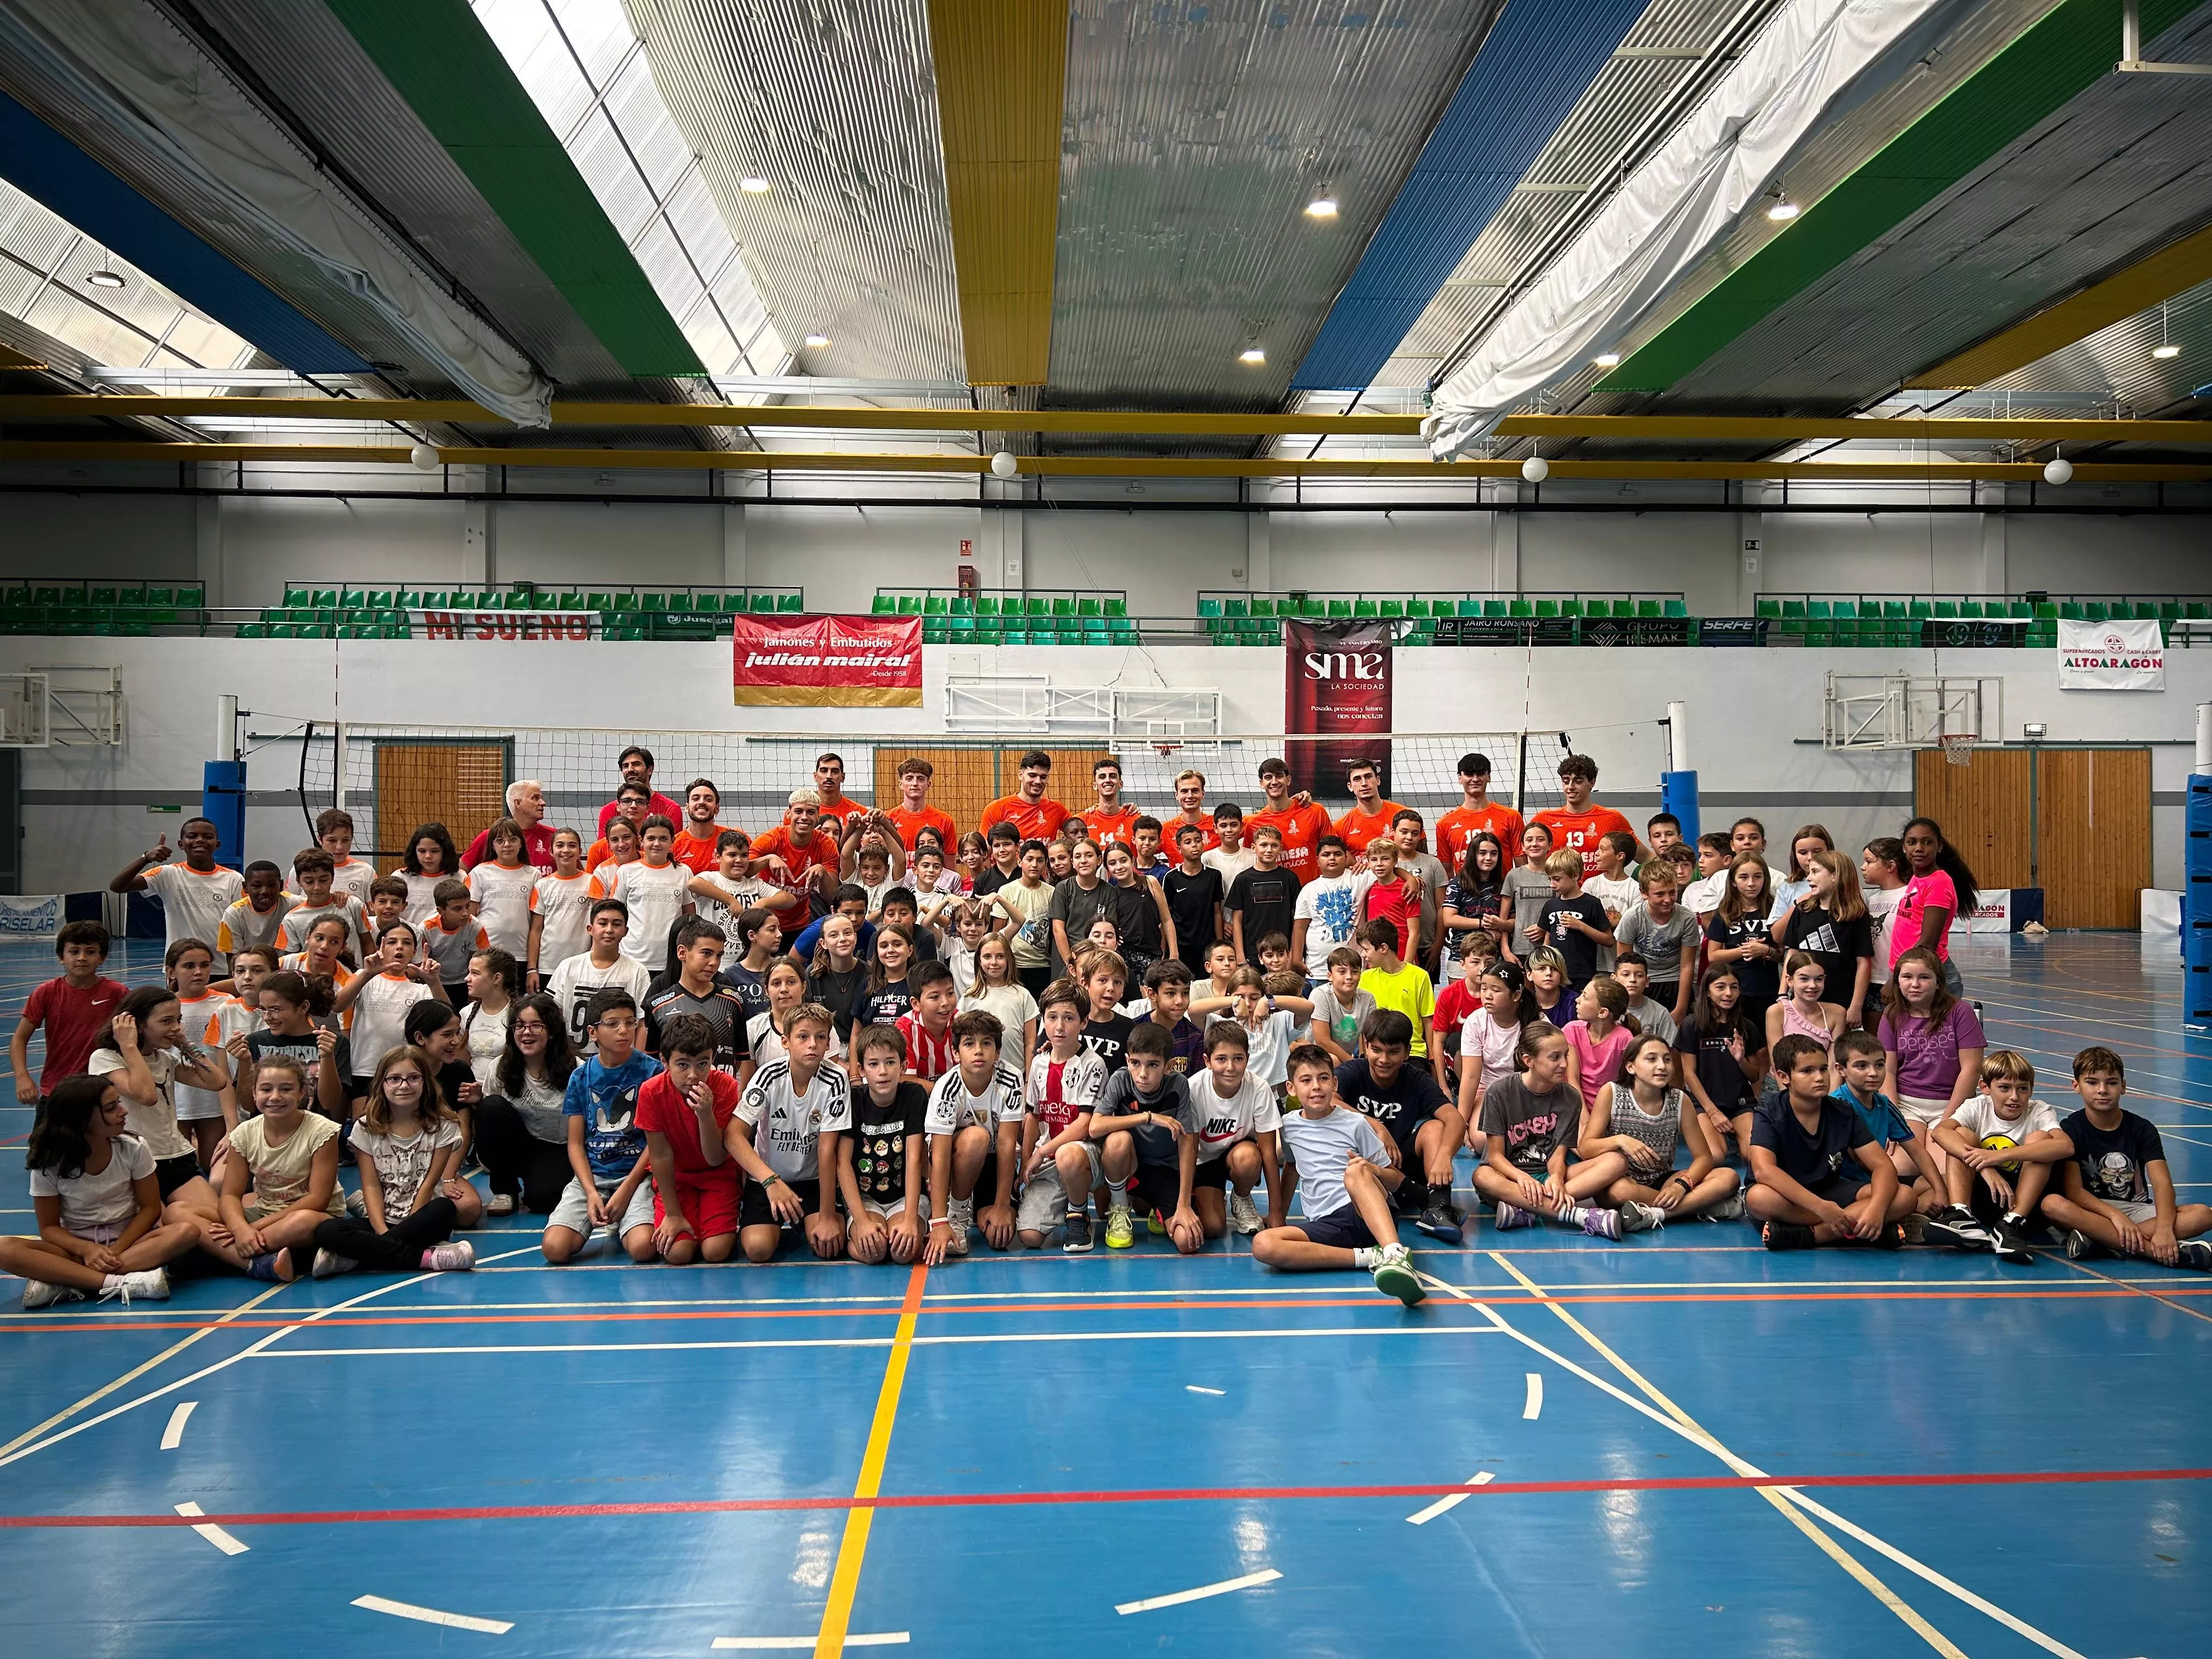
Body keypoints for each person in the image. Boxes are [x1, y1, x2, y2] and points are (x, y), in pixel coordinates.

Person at [1251, 1045, 1425, 1304]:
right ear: (1291, 1088)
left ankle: (1394, 1253)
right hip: (1328, 1225)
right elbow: (1292, 1167)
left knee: (1356, 1171)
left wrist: (1369, 1169)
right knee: (1264, 1245)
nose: (1316, 1087)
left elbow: (1393, 1177)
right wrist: (1280, 1214)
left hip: (1366, 1213)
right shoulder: (1288, 1126)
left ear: (1334, 1083)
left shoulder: (1355, 1123)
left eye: (1323, 1078)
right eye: (1306, 1080)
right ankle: (1369, 1257)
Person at [4, 1074, 196, 1306]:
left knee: (186, 1231)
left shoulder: (134, 1148)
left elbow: (150, 1209)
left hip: (131, 1243)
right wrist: (87, 1250)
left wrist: (114, 1251)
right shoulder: (49, 1163)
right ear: (82, 1119)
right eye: (111, 1108)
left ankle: (69, 1279)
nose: (123, 1111)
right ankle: (117, 1283)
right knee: (4, 1248)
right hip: (75, 1248)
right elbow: (50, 1228)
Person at [311, 1046, 474, 1277]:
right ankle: (426, 1258)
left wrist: (407, 1225)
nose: (404, 1086)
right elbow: (371, 1185)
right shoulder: (365, 1128)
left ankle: (354, 1260)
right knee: (327, 1229)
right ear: (382, 1084)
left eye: (413, 1078)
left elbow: (429, 1184)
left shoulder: (444, 1126)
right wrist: (381, 1231)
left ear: (426, 1083)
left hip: (422, 1219)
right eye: (395, 1079)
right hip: (381, 1219)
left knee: (445, 1207)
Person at [2044, 1046, 2212, 1268]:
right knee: (2052, 1204)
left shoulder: (2142, 1129)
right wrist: (2116, 1217)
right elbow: (2075, 1192)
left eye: (2112, 1083)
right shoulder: (2070, 1129)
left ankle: (2102, 1241)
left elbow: (2162, 1183)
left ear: (2123, 1086)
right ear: (2076, 1086)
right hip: (2092, 1210)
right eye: (2093, 1082)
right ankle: (2154, 1252)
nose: (2102, 1090)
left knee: (2203, 1214)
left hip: (2135, 1209)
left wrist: (2163, 1229)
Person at [89, 984, 232, 1232]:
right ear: (137, 1025)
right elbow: (146, 1095)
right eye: (167, 1021)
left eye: (178, 1020)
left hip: (175, 1158)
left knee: (217, 1221)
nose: (175, 1027)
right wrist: (130, 1046)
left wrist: (185, 1042)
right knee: (172, 1230)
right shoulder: (105, 1058)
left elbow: (216, 1081)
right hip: (135, 1164)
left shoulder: (165, 1058)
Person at [1748, 1034, 1911, 1250]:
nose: (1820, 1077)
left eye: (1823, 1069)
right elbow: (1764, 1171)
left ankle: (1813, 1235)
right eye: (1807, 1071)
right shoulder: (1770, 1112)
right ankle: (1857, 1231)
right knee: (1759, 1198)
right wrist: (1821, 1208)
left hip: (1830, 1190)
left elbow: (1882, 1165)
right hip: (1790, 1196)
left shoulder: (1843, 1111)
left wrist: (1877, 1210)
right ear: (1784, 1076)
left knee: (1905, 1196)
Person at [541, 989, 662, 1264]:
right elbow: (575, 1143)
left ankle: (623, 1222)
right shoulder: (581, 1076)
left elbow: (657, 1143)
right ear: (593, 1032)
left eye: (630, 1022)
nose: (624, 1031)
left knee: (643, 1249)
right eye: (613, 1024)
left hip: (638, 1176)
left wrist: (627, 1189)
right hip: (593, 1177)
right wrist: (591, 1192)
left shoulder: (652, 1073)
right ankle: (608, 1213)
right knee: (555, 1249)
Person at [203, 1056, 346, 1282]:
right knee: (179, 1211)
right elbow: (230, 1194)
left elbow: (318, 1199)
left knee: (304, 1222)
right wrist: (239, 1227)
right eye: (266, 1089)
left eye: (286, 1089)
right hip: (263, 1211)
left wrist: (248, 1230)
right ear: (254, 1094)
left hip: (309, 1215)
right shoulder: (244, 1133)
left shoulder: (322, 1131)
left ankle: (226, 1253)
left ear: (302, 1093)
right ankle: (254, 1261)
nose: (275, 1097)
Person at [1578, 1034, 1741, 1225]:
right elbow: (1586, 1148)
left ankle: (1656, 1214)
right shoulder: (1612, 1092)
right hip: (1620, 1181)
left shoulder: (1680, 1100)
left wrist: (1682, 1185)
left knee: (1728, 1176)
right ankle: (1697, 1205)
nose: (1662, 1066)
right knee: (1621, 1191)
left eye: (1667, 1059)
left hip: (1663, 1180)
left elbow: (1704, 1157)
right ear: (1631, 1067)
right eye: (1651, 1059)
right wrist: (1620, 1140)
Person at [1927, 1049, 2067, 1261]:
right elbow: (1939, 1132)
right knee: (1961, 1135)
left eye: (2022, 1089)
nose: (2014, 1097)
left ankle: (2012, 1223)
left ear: (2031, 1090)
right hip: (1986, 1195)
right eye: (2004, 1088)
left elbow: (2066, 1146)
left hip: (2025, 1205)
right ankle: (1961, 1215)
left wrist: (1998, 1157)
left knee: (2040, 1140)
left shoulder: (2039, 1111)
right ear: (1985, 1087)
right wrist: (1986, 1167)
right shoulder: (1977, 1107)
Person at [1334, 1008, 1462, 1240]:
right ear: (1365, 1046)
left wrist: (1445, 1154)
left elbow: (1455, 1119)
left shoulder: (1416, 1079)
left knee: (1435, 1128)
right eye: (1377, 1050)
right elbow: (1329, 1101)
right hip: (1358, 1169)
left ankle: (1439, 1207)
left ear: (1407, 1052)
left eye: (1393, 1052)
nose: (1384, 1060)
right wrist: (1376, 1125)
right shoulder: (1352, 1072)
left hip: (1398, 1163)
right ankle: (1425, 1199)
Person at [1087, 1020, 1204, 1254]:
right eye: (1136, 1063)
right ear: (1127, 1060)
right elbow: (1095, 1127)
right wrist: (1147, 1117)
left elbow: (1188, 1143)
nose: (1143, 1074)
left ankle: (1153, 1207)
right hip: (1130, 1165)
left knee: (1187, 1242)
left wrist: (1183, 1204)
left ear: (1168, 1066)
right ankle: (1120, 1206)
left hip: (1164, 1169)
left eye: (1153, 1065)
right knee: (1117, 1141)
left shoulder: (1179, 1085)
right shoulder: (1121, 1079)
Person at [634, 1012, 742, 1265]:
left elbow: (716, 1159)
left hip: (718, 1175)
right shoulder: (651, 1092)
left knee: (715, 1252)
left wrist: (705, 1114)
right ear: (664, 1061)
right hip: (676, 1178)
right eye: (683, 1064)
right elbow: (660, 1156)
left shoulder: (726, 1087)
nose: (693, 1074)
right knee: (677, 1254)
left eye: (702, 1063)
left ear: (713, 1059)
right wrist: (673, 1214)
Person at [923, 1009, 1026, 1260]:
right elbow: (939, 1153)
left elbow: (1006, 1144)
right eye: (969, 1044)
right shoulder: (946, 1088)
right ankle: (956, 1214)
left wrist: (1002, 1206)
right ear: (956, 1053)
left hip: (991, 1160)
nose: (978, 1050)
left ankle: (977, 1209)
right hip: (952, 1161)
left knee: (999, 1236)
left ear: (998, 1052)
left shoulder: (1012, 1079)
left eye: (987, 1043)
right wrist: (939, 1222)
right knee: (976, 1138)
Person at [1880, 945, 1985, 1173]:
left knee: (1945, 1170)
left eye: (1924, 978)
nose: (1915, 984)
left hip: (1950, 1104)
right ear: (1897, 982)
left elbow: (1971, 1069)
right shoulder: (1891, 1014)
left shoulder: (1960, 1012)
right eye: (1907, 977)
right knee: (1900, 1169)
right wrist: (1893, 1117)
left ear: (1938, 982)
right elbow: (1887, 1072)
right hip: (1907, 1105)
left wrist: (1948, 1120)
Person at [476, 992, 577, 1216]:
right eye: (519, 1026)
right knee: (491, 1106)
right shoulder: (500, 1068)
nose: (527, 1032)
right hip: (518, 1145)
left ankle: (541, 1182)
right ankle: (504, 1189)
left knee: (544, 1200)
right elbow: (490, 1120)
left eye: (536, 1026)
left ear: (551, 1032)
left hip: (558, 1147)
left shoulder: (576, 1070)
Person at [1830, 1027, 1943, 1223]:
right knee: (1903, 1195)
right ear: (1841, 1070)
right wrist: (1910, 1198)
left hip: (1876, 1180)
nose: (1873, 1073)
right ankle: (1906, 1212)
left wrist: (1940, 1192)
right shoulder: (1839, 1105)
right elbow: (1862, 1162)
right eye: (1861, 1066)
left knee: (1939, 1181)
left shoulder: (1883, 1104)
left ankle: (1909, 1216)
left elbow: (1918, 1151)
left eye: (1879, 1065)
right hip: (1848, 1185)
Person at [843, 1023, 931, 1265]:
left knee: (902, 1253)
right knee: (875, 1251)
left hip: (905, 1197)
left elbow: (914, 1159)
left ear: (903, 1066)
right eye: (874, 1064)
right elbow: (843, 1165)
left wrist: (911, 1219)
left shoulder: (913, 1095)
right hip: (866, 1198)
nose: (883, 1071)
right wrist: (861, 1221)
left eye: (891, 1062)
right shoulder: (854, 1100)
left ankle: (913, 1227)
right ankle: (848, 1239)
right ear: (861, 1069)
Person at [1183, 1021, 1281, 1238]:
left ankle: (1242, 1196)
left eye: (1238, 1059)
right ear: (1207, 1061)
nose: (1230, 1067)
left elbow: (1269, 1153)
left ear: (1248, 1058)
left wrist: (1276, 1213)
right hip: (1202, 1161)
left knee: (1249, 1157)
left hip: (1237, 1155)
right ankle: (1210, 1196)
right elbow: (1188, 1150)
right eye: (1221, 1059)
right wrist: (1184, 1204)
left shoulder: (1259, 1088)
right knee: (1213, 1228)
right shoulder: (1193, 1089)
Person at [13, 920, 126, 1102]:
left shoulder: (117, 993)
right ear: (62, 957)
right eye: (74, 952)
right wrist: (22, 1077)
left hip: (103, 1090)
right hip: (57, 1090)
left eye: (90, 952)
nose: (82, 958)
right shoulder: (46, 993)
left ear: (102, 957)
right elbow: (19, 1038)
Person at [110, 819, 244, 963]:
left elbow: (243, 922)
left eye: (208, 837)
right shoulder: (167, 874)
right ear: (181, 844)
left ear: (217, 845)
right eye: (192, 836)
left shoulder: (234, 879)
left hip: (223, 965)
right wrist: (146, 858)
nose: (200, 840)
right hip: (180, 965)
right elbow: (118, 886)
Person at [1771, 847, 1874, 1030]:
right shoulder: (1802, 909)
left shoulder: (1856, 915)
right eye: (1810, 872)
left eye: (1815, 872)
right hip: (1804, 1000)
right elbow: (1792, 953)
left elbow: (1864, 962)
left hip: (1840, 1000)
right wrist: (1783, 994)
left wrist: (1856, 1006)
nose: (1809, 877)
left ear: (1835, 875)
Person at [1675, 964, 1767, 1161]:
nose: (1728, 993)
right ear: (1707, 991)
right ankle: (1724, 1136)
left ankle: (1736, 1137)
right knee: (1716, 1156)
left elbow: (1755, 1075)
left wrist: (1741, 1060)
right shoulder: (1692, 1025)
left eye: (1734, 987)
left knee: (1755, 1156)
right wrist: (1713, 1112)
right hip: (1704, 1103)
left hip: (1740, 1102)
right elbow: (1689, 1075)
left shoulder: (1747, 1027)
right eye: (1721, 987)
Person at [642, 917, 751, 1076]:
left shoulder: (734, 1001)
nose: (714, 962)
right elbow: (655, 1063)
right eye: (706, 953)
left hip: (721, 1097)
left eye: (719, 956)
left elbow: (739, 1058)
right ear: (682, 952)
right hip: (674, 1099)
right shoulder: (658, 1006)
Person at [546, 899, 654, 1055]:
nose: (609, 930)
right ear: (590, 929)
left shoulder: (637, 972)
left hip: (620, 1061)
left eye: (617, 924)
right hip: (572, 1059)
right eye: (603, 924)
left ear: (626, 931)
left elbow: (643, 1022)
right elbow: (552, 1013)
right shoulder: (568, 967)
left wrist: (638, 1062)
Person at [165, 938, 236, 1169]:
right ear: (171, 972)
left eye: (205, 965)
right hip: (176, 1099)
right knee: (179, 1169)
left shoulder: (226, 1003)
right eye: (189, 966)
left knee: (211, 1165)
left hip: (213, 1100)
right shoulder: (160, 1006)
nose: (198, 972)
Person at [237, 970, 343, 1121]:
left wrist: (327, 1057)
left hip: (314, 1133)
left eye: (276, 1009)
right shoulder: (254, 1041)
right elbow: (249, 1105)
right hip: (267, 1133)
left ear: (303, 1007)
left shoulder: (331, 1042)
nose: (268, 1017)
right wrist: (244, 1062)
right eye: (263, 1009)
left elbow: (329, 1103)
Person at [1354, 918, 1442, 1089]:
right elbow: (1363, 1023)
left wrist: (1433, 1060)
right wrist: (1364, 1055)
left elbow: (1428, 1020)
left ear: (1384, 949)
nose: (1363, 955)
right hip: (1375, 1052)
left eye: (1366, 949)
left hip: (1412, 1053)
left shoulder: (1419, 976)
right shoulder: (1365, 978)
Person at [1897, 817, 1979, 991]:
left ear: (1939, 846)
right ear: (1904, 847)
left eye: (1927, 842)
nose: (1919, 848)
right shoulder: (1917, 878)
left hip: (1930, 977)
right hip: (1913, 973)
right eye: (1912, 842)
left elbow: (1928, 943)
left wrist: (1893, 983)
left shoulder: (1938, 883)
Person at [1456, 959, 1536, 1130]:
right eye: (1484, 988)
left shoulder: (1536, 1022)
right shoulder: (1476, 1022)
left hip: (1525, 1090)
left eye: (1496, 990)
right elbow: (1471, 1076)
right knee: (1482, 1139)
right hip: (1487, 1089)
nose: (1488, 995)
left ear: (1516, 995)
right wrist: (1461, 1124)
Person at [1531, 754, 1641, 877]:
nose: (1571, 787)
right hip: (1558, 893)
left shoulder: (1612, 818)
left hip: (1599, 894)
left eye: (1578, 781)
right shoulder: (1544, 819)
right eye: (1566, 781)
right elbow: (1526, 859)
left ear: (1592, 783)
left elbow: (1645, 856)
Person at [1704, 855, 1784, 1017]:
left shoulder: (1776, 908)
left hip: (1768, 989)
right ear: (1733, 881)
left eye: (1757, 877)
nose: (1751, 883)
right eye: (1743, 877)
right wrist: (1746, 950)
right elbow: (1713, 956)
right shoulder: (1725, 912)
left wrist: (1766, 951)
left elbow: (1785, 954)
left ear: (1765, 879)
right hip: (1734, 992)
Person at [1533, 849, 1612, 997]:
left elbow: (1609, 940)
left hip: (1583, 974)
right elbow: (1547, 940)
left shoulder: (1591, 903)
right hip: (1556, 974)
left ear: (1575, 876)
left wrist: (1580, 926)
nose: (1552, 885)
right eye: (1550, 879)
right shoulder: (1550, 906)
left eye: (1557, 879)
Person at [1435, 752, 1525, 874]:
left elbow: (1522, 865)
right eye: (1469, 774)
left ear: (1489, 777)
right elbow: (1446, 872)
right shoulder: (1445, 823)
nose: (1475, 779)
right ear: (1460, 778)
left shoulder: (1511, 817)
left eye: (1481, 774)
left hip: (1501, 891)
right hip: (1464, 891)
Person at [1246, 757, 1334, 880]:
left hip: (1311, 892)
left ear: (1288, 780)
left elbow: (1333, 850)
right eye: (1268, 778)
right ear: (1262, 783)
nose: (1274, 782)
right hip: (1276, 893)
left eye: (1279, 776)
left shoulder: (1314, 811)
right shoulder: (1253, 824)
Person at [960, 935, 1039, 1072]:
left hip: (1017, 1074)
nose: (994, 962)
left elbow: (1030, 1043)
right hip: (980, 1075)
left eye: (1000, 956)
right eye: (987, 957)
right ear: (979, 960)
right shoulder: (969, 996)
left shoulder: (1023, 995)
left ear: (1009, 959)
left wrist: (1028, 1082)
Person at [1439, 831, 1510, 979]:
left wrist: (1500, 924)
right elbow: (1449, 919)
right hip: (1461, 956)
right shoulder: (1458, 883)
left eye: (1494, 853)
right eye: (1482, 853)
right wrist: (1483, 923)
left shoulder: (1504, 886)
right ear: (1473, 855)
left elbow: (1513, 921)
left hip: (1492, 959)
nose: (1488, 858)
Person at [1226, 825, 1301, 967]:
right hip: (1252, 955)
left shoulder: (1290, 878)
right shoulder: (1243, 879)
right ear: (1254, 848)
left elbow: (1297, 920)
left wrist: (1293, 955)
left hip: (1282, 955)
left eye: (1274, 846)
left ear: (1281, 848)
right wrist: (1241, 958)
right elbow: (1237, 921)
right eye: (1264, 845)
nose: (1269, 850)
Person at [281, 849, 372, 964]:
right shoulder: (291, 919)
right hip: (313, 980)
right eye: (309, 882)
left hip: (353, 978)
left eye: (323, 880)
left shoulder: (352, 905)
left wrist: (370, 975)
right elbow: (291, 959)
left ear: (332, 878)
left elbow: (367, 942)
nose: (317, 887)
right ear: (299, 882)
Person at [467, 818, 540, 959]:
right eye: (500, 840)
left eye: (513, 839)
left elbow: (536, 921)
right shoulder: (479, 872)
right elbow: (470, 917)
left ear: (521, 844)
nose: (507, 845)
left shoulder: (533, 874)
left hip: (521, 954)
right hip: (486, 952)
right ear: (493, 846)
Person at [1163, 823, 1226, 979]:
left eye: (1198, 840)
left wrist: (1219, 944)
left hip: (1207, 945)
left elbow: (1217, 912)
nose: (1194, 845)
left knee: (1208, 987)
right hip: (1182, 946)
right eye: (1188, 842)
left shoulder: (1214, 876)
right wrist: (1167, 950)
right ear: (1179, 849)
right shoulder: (1171, 878)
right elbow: (1166, 917)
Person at [1564, 975, 1635, 1108]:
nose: (1577, 1000)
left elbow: (1626, 1083)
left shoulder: (1624, 1038)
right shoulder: (1571, 1030)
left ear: (1603, 1012)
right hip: (1574, 1103)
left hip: (1610, 1106)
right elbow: (1572, 1079)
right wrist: (1584, 1119)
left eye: (1585, 997)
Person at [1860, 838, 1909, 1028]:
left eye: (1869, 861)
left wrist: (1894, 979)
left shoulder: (1908, 895)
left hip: (1897, 980)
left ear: (1890, 866)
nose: (1863, 867)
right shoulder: (1871, 900)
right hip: (1872, 981)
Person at [981, 750, 1076, 844]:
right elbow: (985, 853)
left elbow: (1079, 829)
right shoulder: (996, 809)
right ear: (1021, 775)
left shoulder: (1057, 810)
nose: (1038, 781)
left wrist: (1091, 811)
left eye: (1043, 777)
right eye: (1032, 775)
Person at [805, 913, 870, 1048]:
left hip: (862, 1045)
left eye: (847, 933)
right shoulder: (813, 975)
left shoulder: (869, 974)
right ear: (824, 943)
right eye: (834, 935)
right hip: (825, 1046)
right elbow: (809, 1021)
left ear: (855, 938)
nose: (842, 939)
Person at [464, 780, 556, 872]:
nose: (543, 803)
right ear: (518, 803)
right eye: (535, 798)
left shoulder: (555, 837)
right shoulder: (490, 836)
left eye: (541, 798)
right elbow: (460, 871)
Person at [1357, 833, 1422, 963]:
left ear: (1395, 861)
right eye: (1374, 860)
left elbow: (1414, 932)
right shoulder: (1369, 889)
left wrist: (1407, 965)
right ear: (1368, 862)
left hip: (1401, 959)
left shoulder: (1408, 890)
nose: (1379, 864)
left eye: (1385, 859)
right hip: (1376, 962)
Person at [1307, 946, 1375, 1066]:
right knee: (1333, 1061)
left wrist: (1365, 1062)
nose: (1349, 977)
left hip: (1347, 1058)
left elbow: (1368, 1037)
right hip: (1314, 1055)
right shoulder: (1320, 995)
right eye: (1342, 972)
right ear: (1330, 976)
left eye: (1355, 972)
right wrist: (1354, 1065)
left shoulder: (1368, 999)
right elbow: (1323, 1041)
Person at [896, 958, 960, 1082]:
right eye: (935, 997)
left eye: (950, 993)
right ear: (916, 1004)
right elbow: (906, 1079)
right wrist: (942, 1093)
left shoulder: (962, 1023)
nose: (945, 1003)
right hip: (921, 1099)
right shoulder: (905, 1027)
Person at [218, 862, 296, 963]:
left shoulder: (294, 904)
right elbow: (234, 961)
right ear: (245, 887)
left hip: (283, 971)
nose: (265, 891)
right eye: (257, 886)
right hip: (250, 970)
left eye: (271, 885)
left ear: (280, 886)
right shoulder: (234, 914)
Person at [596, 746, 682, 837]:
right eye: (626, 766)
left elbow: (672, 847)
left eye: (636, 764)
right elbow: (605, 848)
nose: (630, 770)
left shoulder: (669, 808)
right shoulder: (608, 811)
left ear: (650, 770)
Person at [302, 807, 380, 907]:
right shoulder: (303, 869)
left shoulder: (366, 871)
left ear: (352, 839)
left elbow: (374, 913)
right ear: (320, 839)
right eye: (332, 841)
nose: (339, 847)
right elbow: (291, 906)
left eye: (346, 840)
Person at [1331, 758, 1404, 856]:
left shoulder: (1403, 815)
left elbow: (1420, 857)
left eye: (1368, 777)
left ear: (1378, 780)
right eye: (1357, 779)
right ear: (1350, 786)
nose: (1364, 783)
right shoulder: (1340, 827)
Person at [1505, 822, 1558, 956]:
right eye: (1529, 840)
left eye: (1541, 840)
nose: (1534, 844)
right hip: (1521, 949)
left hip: (1553, 948)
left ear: (1550, 845)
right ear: (1523, 846)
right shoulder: (1514, 875)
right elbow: (1502, 920)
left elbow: (1565, 912)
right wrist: (1506, 951)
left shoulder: (1558, 875)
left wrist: (1544, 927)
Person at [884, 757, 957, 852]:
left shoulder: (945, 821)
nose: (915, 783)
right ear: (901, 784)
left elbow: (949, 866)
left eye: (921, 779)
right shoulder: (888, 819)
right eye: (909, 778)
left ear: (928, 784)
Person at [395, 823, 462, 927]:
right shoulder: (400, 877)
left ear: (445, 851)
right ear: (414, 851)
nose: (428, 856)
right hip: (408, 937)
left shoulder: (460, 877)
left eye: (435, 851)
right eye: (422, 851)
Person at [1611, 953, 1676, 1047]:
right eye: (1626, 975)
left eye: (1639, 976)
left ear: (1647, 981)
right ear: (1614, 979)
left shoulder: (1660, 1013)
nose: (1633, 980)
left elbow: (1670, 1049)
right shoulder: (1605, 1009)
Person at [588, 785, 653, 873]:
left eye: (640, 801)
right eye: (627, 801)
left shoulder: (654, 846)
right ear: (618, 806)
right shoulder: (598, 849)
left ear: (648, 808)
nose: (633, 806)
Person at [667, 778, 727, 875]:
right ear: (687, 808)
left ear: (717, 808)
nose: (702, 802)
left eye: (709, 799)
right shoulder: (673, 845)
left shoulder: (733, 838)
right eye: (696, 799)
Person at [1078, 756, 1139, 848]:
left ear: (1120, 784)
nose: (1107, 780)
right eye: (1102, 777)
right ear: (1095, 785)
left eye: (1112, 776)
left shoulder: (1136, 820)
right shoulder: (1081, 821)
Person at [1165, 768, 1222, 853]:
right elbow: (1141, 848)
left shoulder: (1220, 825)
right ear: (1177, 795)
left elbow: (1248, 823)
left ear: (1203, 793)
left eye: (1195, 791)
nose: (1190, 796)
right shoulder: (1166, 830)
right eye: (1184, 791)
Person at [1201, 804, 1256, 885]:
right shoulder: (1207, 858)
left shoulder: (1254, 857)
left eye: (1234, 825)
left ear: (1242, 827)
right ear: (1216, 829)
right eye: (1223, 826)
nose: (1229, 830)